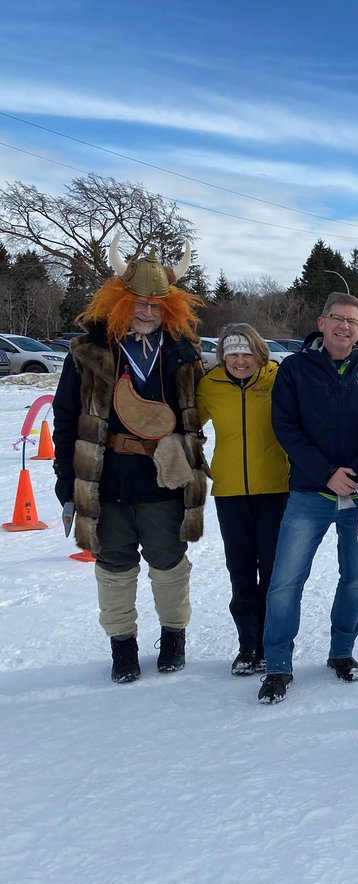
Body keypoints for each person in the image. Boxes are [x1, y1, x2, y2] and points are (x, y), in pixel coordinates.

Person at [52, 237, 207, 683]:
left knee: (168, 560)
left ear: (170, 309)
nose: (147, 311)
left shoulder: (184, 353)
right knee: (113, 563)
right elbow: (65, 419)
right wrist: (68, 482)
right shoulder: (89, 353)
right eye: (139, 303)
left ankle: (173, 636)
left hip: (164, 477)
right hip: (106, 477)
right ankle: (123, 645)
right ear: (120, 303)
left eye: (157, 305)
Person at [257, 292, 358, 704]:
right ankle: (278, 664)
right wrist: (325, 473)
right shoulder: (295, 369)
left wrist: (356, 472)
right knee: (285, 582)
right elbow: (285, 427)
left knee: (355, 578)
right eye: (336, 318)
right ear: (321, 321)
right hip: (310, 494)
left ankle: (342, 652)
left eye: (352, 321)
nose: (343, 327)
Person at [197, 323, 290, 676]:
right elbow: (187, 423)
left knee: (272, 572)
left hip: (275, 489)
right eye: (232, 353)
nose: (239, 360)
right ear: (223, 355)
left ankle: (269, 644)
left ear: (259, 353)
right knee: (240, 572)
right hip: (230, 491)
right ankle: (247, 645)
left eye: (246, 353)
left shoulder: (277, 379)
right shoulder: (210, 385)